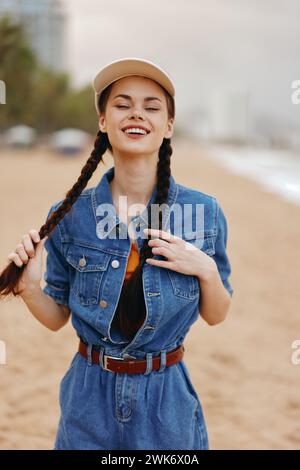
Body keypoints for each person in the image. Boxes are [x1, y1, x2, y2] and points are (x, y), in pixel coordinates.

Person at [1, 57, 234, 450]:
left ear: (168, 125)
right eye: (122, 104)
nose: (136, 114)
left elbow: (217, 313)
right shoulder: (70, 216)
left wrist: (207, 270)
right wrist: (28, 289)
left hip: (166, 402)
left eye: (151, 106)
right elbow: (57, 317)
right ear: (103, 120)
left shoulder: (204, 213)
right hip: (87, 398)